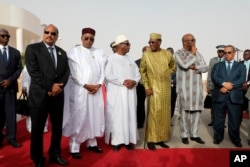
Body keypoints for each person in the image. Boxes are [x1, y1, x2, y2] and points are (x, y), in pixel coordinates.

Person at [25, 24, 70, 166]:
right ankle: (38, 159)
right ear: (43, 33)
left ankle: (55, 155)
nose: (50, 35)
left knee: (57, 128)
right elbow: (34, 72)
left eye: (53, 33)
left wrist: (58, 87)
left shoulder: (62, 52)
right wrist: (51, 86)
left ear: (57, 36)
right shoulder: (33, 49)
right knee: (37, 130)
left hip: (57, 97)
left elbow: (66, 73)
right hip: (39, 97)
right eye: (47, 32)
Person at [62, 27, 105, 159]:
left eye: (91, 39)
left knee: (94, 117)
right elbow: (73, 73)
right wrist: (86, 85)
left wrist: (98, 84)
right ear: (81, 38)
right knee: (80, 117)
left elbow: (103, 70)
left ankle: (91, 143)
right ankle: (74, 147)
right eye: (86, 38)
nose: (89, 41)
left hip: (95, 91)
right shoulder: (73, 52)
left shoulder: (99, 52)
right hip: (81, 91)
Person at [140, 33, 176, 150]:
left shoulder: (167, 54)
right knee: (153, 114)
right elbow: (143, 72)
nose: (151, 44)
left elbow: (173, 67)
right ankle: (151, 139)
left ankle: (161, 138)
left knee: (164, 115)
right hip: (153, 88)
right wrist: (146, 87)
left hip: (165, 88)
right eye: (149, 42)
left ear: (160, 42)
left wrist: (167, 73)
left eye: (153, 42)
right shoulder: (146, 54)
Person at [105, 35, 140, 151]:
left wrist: (134, 81)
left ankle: (128, 140)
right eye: (127, 44)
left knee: (130, 116)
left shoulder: (130, 60)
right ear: (119, 45)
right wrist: (122, 81)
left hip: (130, 93)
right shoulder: (110, 59)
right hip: (117, 93)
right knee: (117, 117)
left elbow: (137, 74)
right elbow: (108, 75)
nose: (129, 46)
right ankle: (117, 141)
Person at [175, 33, 208, 145]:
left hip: (197, 90)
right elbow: (184, 65)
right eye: (192, 40)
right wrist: (192, 55)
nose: (194, 42)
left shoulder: (199, 54)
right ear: (184, 42)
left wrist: (195, 67)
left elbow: (205, 67)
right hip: (184, 90)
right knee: (184, 113)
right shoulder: (178, 53)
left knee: (196, 113)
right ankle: (184, 134)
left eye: (194, 40)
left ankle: (194, 134)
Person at [212, 45, 246, 147]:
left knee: (235, 120)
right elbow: (214, 77)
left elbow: (241, 79)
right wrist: (223, 84)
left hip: (235, 97)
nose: (226, 54)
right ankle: (218, 137)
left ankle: (235, 139)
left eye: (229, 52)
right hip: (220, 96)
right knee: (218, 119)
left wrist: (229, 86)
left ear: (234, 53)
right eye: (225, 52)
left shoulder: (241, 66)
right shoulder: (217, 66)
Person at [0, 28, 22, 148]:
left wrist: (10, 80)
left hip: (10, 89)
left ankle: (11, 138)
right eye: (3, 36)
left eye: (8, 36)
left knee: (11, 115)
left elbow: (19, 68)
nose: (6, 38)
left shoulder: (15, 52)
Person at [20, 66, 49, 133]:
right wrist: (25, 95)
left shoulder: (42, 63)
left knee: (44, 110)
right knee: (31, 112)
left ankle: (44, 126)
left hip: (42, 91)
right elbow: (25, 82)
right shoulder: (27, 68)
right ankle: (31, 127)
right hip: (31, 93)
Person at [206, 45, 225, 126]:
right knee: (213, 105)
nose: (220, 53)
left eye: (222, 52)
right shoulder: (213, 60)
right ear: (217, 52)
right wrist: (208, 86)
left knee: (223, 105)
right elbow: (209, 73)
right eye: (219, 51)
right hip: (213, 86)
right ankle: (213, 120)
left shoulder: (226, 61)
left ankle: (222, 122)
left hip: (223, 87)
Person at [135, 46, 150, 128]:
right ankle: (140, 121)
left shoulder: (154, 62)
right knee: (140, 104)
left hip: (152, 86)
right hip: (141, 86)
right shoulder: (136, 63)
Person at [167, 47, 177, 120]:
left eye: (170, 52)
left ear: (172, 53)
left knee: (172, 103)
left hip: (174, 86)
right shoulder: (162, 62)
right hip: (164, 86)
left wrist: (173, 81)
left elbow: (178, 74)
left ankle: (170, 118)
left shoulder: (176, 63)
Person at [240, 49, 250, 122]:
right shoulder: (239, 63)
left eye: (247, 54)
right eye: (244, 54)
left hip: (249, 87)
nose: (245, 55)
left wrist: (247, 83)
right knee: (239, 106)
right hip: (240, 87)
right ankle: (238, 122)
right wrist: (242, 83)